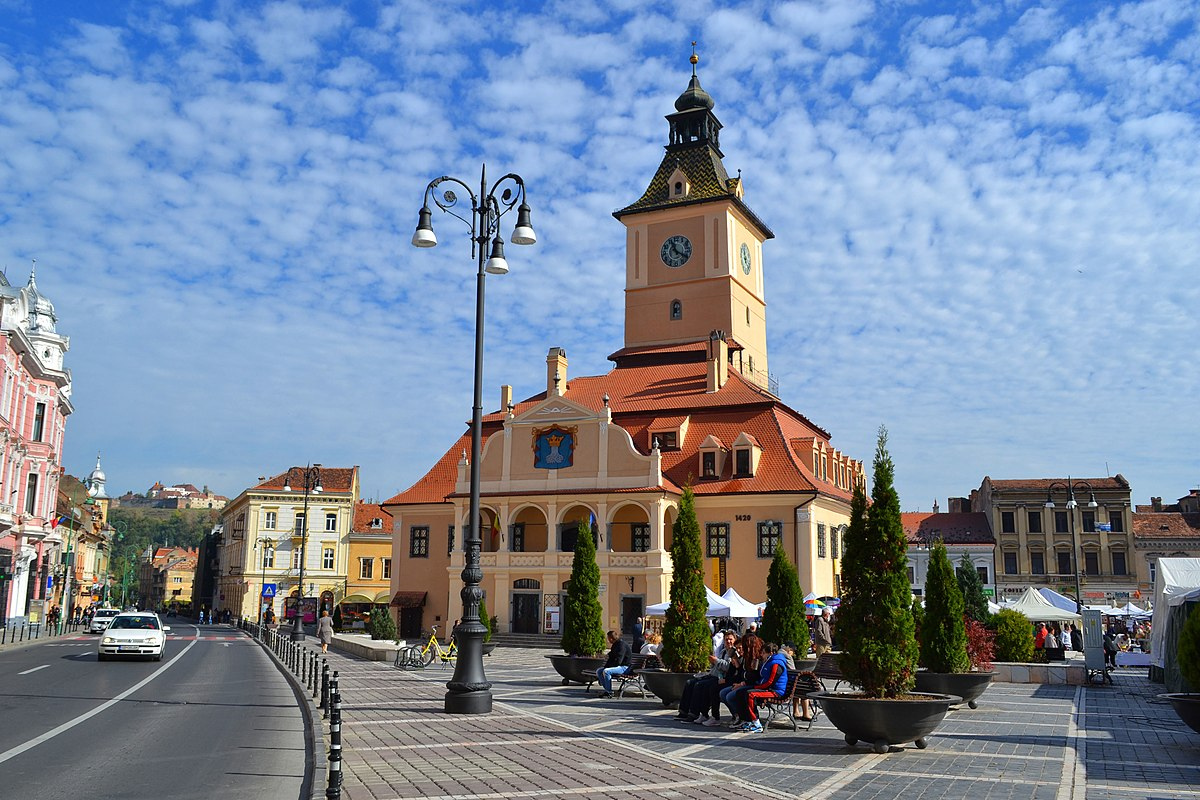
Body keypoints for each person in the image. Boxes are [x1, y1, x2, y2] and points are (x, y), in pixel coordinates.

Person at [677, 630, 737, 724]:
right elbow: (716, 667)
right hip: (714, 675)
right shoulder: (723, 651)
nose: (728, 641)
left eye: (730, 639)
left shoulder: (733, 652)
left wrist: (716, 661)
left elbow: (728, 667)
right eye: (726, 639)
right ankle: (683, 711)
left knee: (700, 685)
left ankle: (695, 713)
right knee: (690, 682)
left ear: (735, 640)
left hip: (722, 678)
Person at [737, 642, 789, 733]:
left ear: (771, 653)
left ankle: (756, 723)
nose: (762, 655)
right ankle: (748, 720)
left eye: (764, 653)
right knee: (740, 692)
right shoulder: (768, 662)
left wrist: (757, 687)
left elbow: (770, 682)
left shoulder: (776, 664)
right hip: (767, 688)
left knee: (751, 695)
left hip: (776, 691)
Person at [596, 630, 632, 698]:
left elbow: (619, 661)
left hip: (624, 667)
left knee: (606, 671)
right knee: (599, 671)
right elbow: (611, 657)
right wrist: (606, 665)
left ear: (611, 638)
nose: (608, 640)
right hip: (618, 666)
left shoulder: (622, 645)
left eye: (608, 638)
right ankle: (606, 689)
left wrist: (608, 668)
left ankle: (609, 692)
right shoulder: (615, 645)